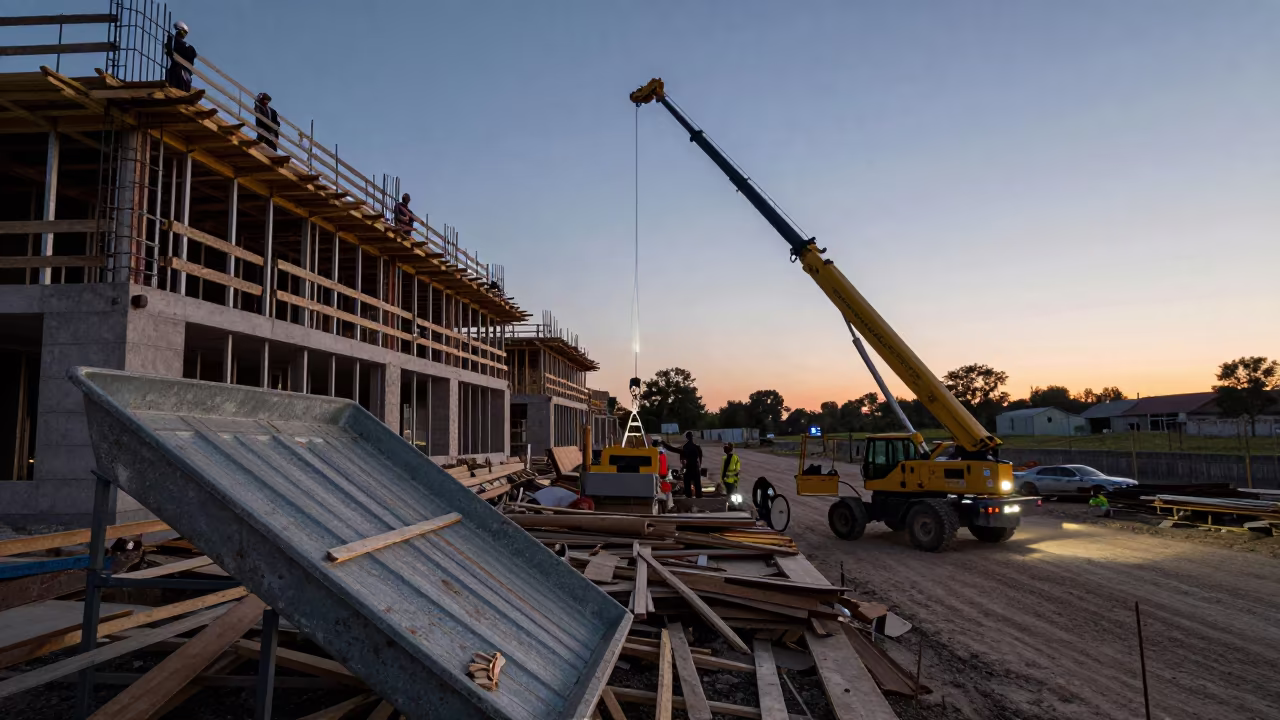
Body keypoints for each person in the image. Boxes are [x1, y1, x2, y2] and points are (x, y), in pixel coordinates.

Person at [659, 431, 703, 498]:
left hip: (689, 467)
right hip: (695, 467)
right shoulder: (697, 447)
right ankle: (698, 495)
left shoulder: (685, 447)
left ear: (687, 437)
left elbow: (674, 450)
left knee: (687, 481)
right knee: (697, 482)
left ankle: (689, 495)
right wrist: (699, 466)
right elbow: (700, 458)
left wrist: (664, 444)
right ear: (692, 437)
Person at [164, 21, 197, 92]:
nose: (183, 36)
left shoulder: (175, 43)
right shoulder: (175, 43)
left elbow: (192, 53)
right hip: (178, 72)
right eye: (182, 33)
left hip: (181, 73)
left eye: (185, 34)